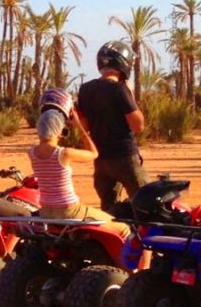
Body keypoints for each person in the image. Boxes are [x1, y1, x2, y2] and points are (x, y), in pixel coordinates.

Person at [29, 96, 128, 235]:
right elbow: (94, 153)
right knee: (123, 228)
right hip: (70, 210)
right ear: (59, 130)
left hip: (46, 211)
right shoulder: (64, 154)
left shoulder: (32, 153)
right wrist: (79, 126)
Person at [77, 41, 148, 213]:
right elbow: (138, 125)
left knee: (108, 209)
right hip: (124, 157)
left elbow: (84, 124)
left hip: (101, 160)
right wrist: (130, 95)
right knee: (145, 203)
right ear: (124, 63)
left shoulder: (85, 89)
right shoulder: (119, 89)